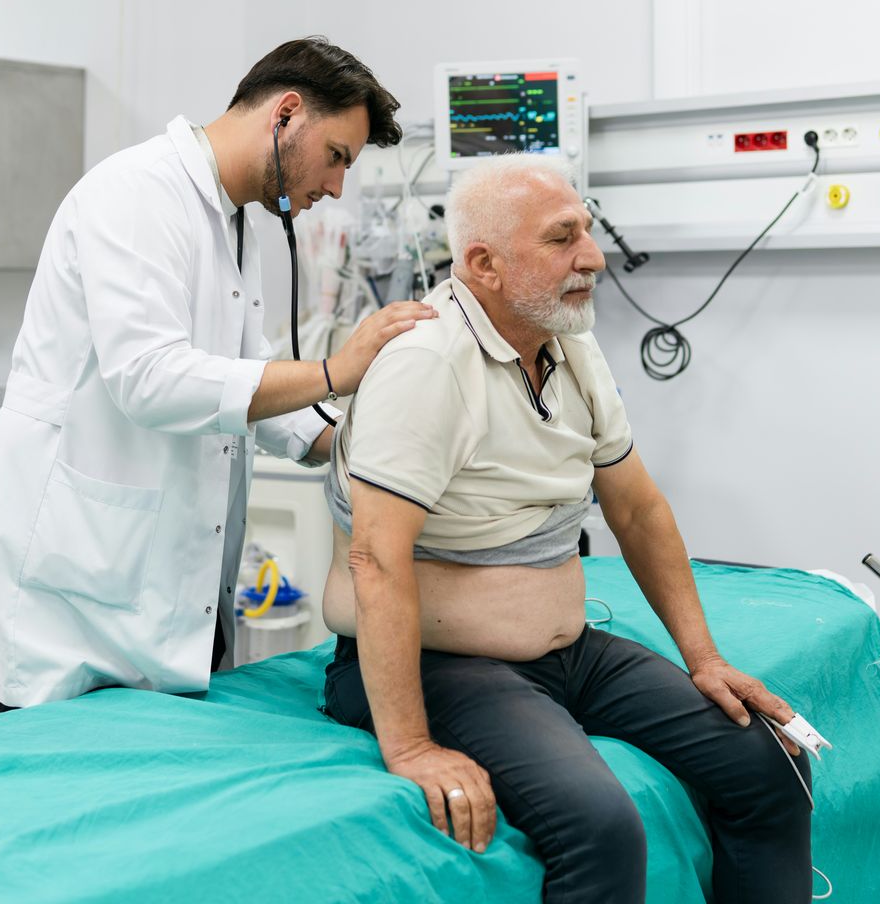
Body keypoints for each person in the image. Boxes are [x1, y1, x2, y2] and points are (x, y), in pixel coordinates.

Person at [321, 154, 812, 903]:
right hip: (441, 664)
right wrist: (412, 746)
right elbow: (376, 559)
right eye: (562, 238)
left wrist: (703, 658)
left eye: (586, 228)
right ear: (482, 263)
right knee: (600, 824)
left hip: (567, 652)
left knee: (770, 764)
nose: (593, 255)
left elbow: (638, 508)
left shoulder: (567, 344)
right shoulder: (427, 365)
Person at [0, 37, 435, 708]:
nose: (334, 186)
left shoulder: (233, 223)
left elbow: (243, 373)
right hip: (77, 596)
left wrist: (353, 445)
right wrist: (333, 371)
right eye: (336, 157)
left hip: (161, 586)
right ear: (286, 114)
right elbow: (151, 379)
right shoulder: (136, 194)